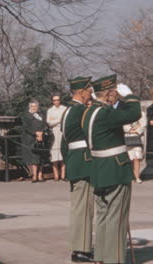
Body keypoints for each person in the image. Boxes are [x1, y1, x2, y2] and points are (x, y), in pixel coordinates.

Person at [81, 75, 141, 264]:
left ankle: (101, 256)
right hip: (115, 169)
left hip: (98, 169)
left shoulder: (88, 112)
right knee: (116, 217)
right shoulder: (105, 114)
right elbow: (133, 114)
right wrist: (130, 96)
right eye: (113, 92)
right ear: (108, 94)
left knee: (102, 217)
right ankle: (114, 259)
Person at [60, 76, 94, 262]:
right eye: (89, 90)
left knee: (79, 208)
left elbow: (65, 144)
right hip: (84, 163)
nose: (91, 93)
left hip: (75, 162)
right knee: (83, 209)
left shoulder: (68, 110)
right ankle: (81, 249)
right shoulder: (81, 111)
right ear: (80, 92)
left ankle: (79, 246)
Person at [21, 99, 46, 182]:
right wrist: (35, 133)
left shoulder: (41, 114)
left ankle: (40, 175)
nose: (34, 108)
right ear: (29, 107)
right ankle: (34, 176)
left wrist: (42, 133)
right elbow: (26, 127)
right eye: (32, 106)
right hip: (30, 138)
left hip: (41, 137)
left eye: (35, 106)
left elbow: (45, 124)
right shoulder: (26, 115)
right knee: (34, 157)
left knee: (41, 157)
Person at [47, 93, 67, 181]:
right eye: (54, 100)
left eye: (58, 100)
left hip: (63, 131)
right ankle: (56, 175)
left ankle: (63, 175)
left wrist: (55, 120)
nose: (56, 102)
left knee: (63, 153)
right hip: (54, 132)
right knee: (54, 154)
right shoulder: (50, 110)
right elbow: (49, 122)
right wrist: (59, 119)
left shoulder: (65, 108)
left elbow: (65, 120)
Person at [123, 111, 147, 184]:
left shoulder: (142, 113)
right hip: (128, 136)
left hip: (138, 137)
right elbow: (123, 124)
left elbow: (143, 124)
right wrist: (130, 130)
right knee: (130, 158)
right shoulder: (125, 112)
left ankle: (137, 177)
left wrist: (136, 131)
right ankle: (131, 177)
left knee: (137, 158)